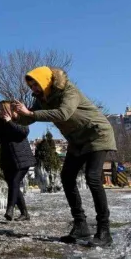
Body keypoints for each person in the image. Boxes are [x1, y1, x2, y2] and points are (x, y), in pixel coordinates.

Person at [14, 66, 116, 247]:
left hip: (97, 134)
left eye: (36, 85)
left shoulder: (69, 90)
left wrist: (30, 113)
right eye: (31, 87)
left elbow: (63, 113)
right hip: (77, 140)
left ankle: (104, 230)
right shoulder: (41, 99)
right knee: (67, 177)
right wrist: (15, 116)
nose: (34, 90)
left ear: (45, 81)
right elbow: (30, 118)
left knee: (92, 177)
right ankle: (80, 224)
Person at [0, 102, 36, 221]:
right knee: (13, 185)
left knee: (14, 182)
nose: (0, 111)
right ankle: (25, 213)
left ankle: (9, 209)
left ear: (10, 110)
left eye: (2, 109)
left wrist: (10, 122)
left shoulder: (20, 119)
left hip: (23, 159)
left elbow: (22, 133)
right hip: (7, 160)